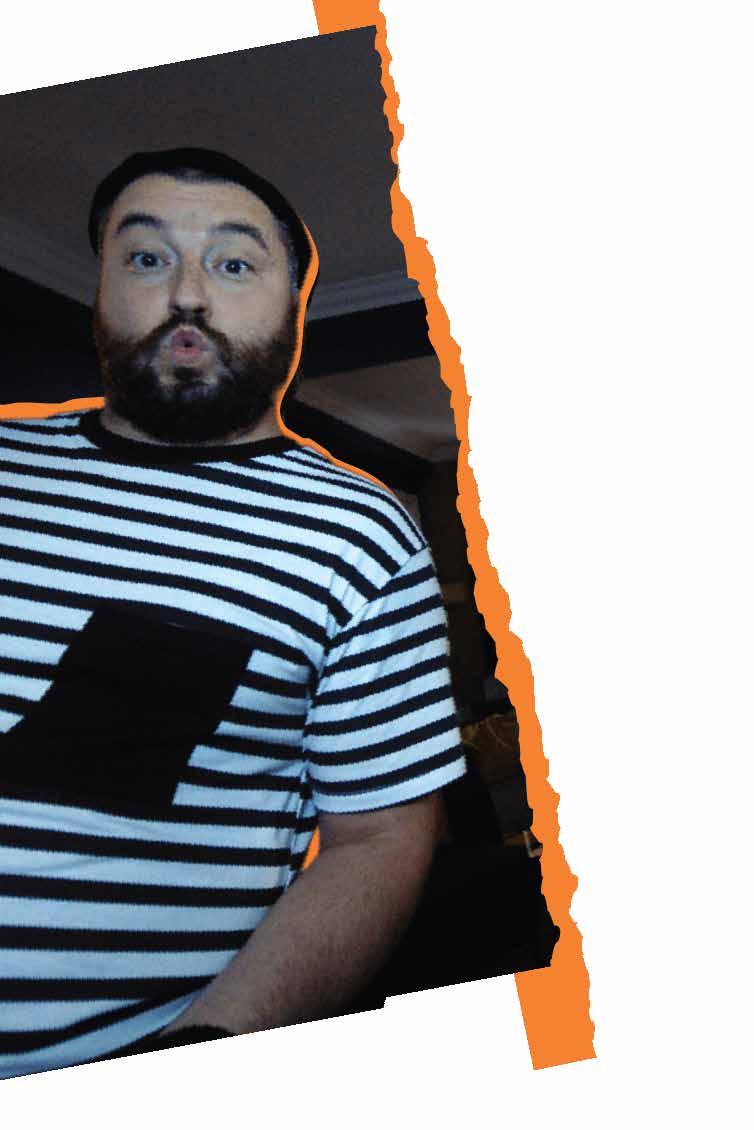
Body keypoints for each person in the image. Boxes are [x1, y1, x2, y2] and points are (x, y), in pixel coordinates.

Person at [0, 148, 466, 1078]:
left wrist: (207, 1051)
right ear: (100, 292)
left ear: (292, 305)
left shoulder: (359, 531)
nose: (186, 295)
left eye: (233, 262)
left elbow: (380, 836)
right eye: (145, 258)